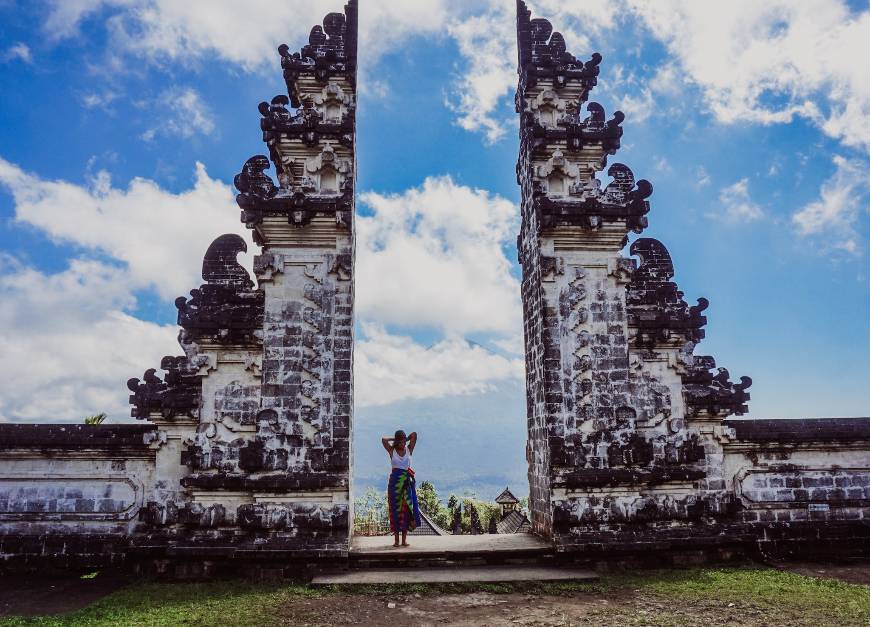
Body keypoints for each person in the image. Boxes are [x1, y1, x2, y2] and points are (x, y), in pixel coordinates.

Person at [381, 429, 421, 547]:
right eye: (400, 442)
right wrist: (395, 439)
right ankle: (396, 541)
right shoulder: (391, 451)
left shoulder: (409, 450)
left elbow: (415, 434)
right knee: (395, 511)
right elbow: (383, 440)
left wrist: (406, 439)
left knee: (406, 510)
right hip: (394, 485)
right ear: (397, 442)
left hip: (406, 484)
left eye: (404, 442)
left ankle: (404, 540)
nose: (402, 444)